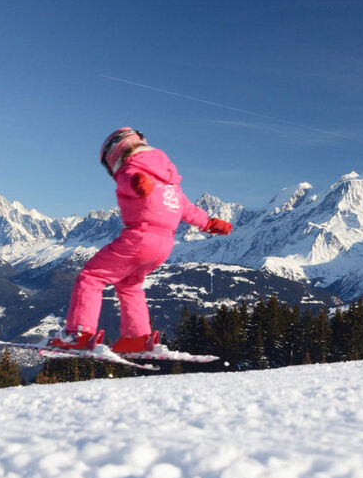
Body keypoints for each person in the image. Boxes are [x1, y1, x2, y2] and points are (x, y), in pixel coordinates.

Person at [49, 127, 232, 353]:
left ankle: (77, 333)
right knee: (129, 284)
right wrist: (211, 224)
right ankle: (136, 338)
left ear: (115, 154)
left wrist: (138, 182)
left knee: (91, 277)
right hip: (164, 245)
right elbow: (188, 210)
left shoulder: (132, 170)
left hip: (139, 238)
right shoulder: (170, 184)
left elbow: (129, 180)